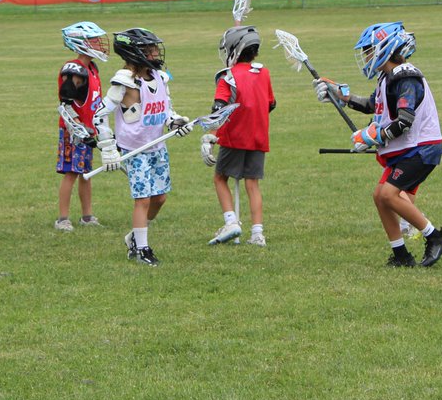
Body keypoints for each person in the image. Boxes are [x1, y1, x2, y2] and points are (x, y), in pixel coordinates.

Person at [314, 22, 442, 268]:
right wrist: (341, 96)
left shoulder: (406, 78)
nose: (366, 56)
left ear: (386, 48)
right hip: (408, 148)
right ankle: (400, 255)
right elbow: (372, 105)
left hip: (422, 148)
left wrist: (373, 137)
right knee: (380, 196)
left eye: (369, 50)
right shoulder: (387, 78)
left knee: (389, 194)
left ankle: (436, 237)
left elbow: (405, 121)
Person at [93, 28, 191, 266]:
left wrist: (175, 122)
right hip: (133, 150)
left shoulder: (159, 77)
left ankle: (135, 237)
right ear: (135, 53)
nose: (157, 53)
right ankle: (141, 249)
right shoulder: (124, 82)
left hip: (156, 147)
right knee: (143, 199)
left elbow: (165, 110)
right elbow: (99, 115)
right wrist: (108, 148)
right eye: (151, 50)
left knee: (160, 199)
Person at [203, 26, 276, 247]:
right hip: (258, 136)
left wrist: (210, 136)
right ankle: (257, 233)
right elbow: (271, 104)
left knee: (220, 178)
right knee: (252, 183)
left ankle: (231, 222)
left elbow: (219, 110)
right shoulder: (263, 72)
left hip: (234, 136)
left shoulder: (228, 77)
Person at [54, 21, 110, 232]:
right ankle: (63, 218)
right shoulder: (74, 70)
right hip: (74, 132)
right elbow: (66, 105)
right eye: (94, 40)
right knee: (71, 173)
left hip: (89, 130)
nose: (99, 44)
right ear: (81, 43)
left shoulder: (92, 68)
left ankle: (87, 216)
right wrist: (78, 128)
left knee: (86, 173)